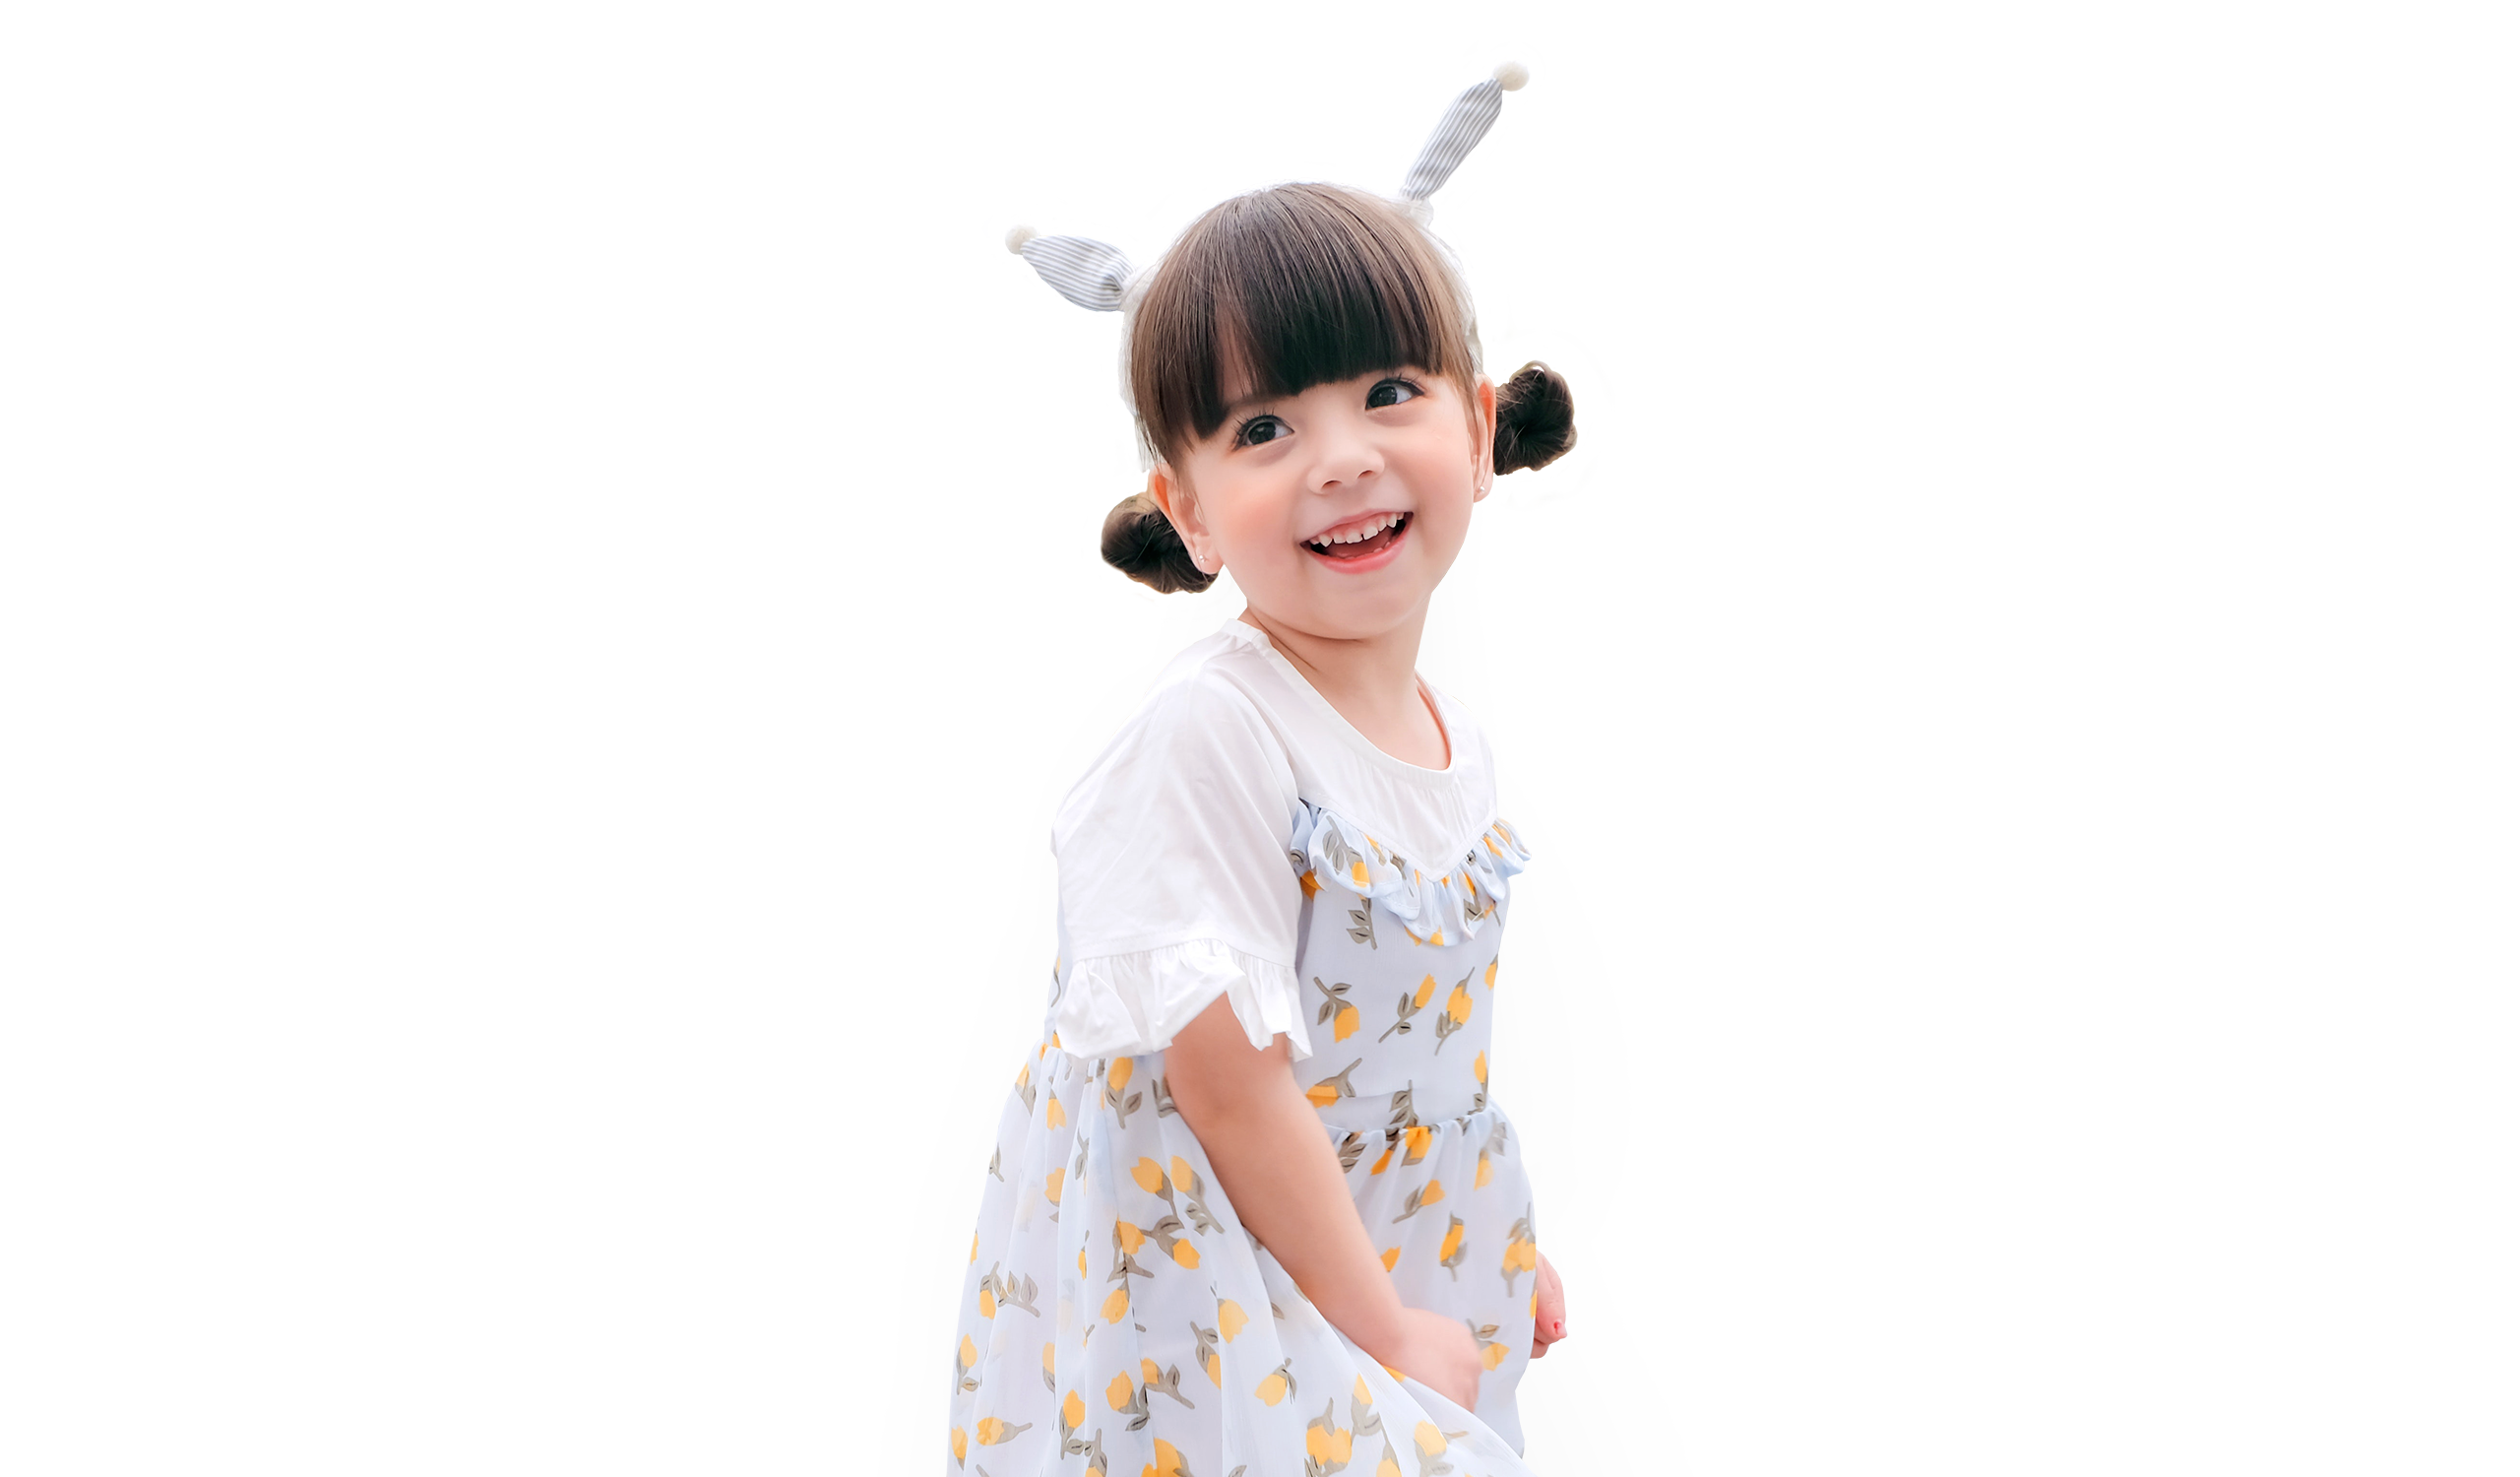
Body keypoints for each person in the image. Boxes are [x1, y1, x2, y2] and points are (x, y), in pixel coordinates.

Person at [943, 153, 1593, 1477]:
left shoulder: (1455, 737)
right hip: (1205, 1277)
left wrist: (1487, 1238)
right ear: (1186, 511)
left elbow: (1424, 1061)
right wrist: (1385, 1331)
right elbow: (1228, 1082)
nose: (1342, 460)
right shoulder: (1213, 727)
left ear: (1477, 430)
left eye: (1389, 393)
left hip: (1360, 1245)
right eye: (1262, 430)